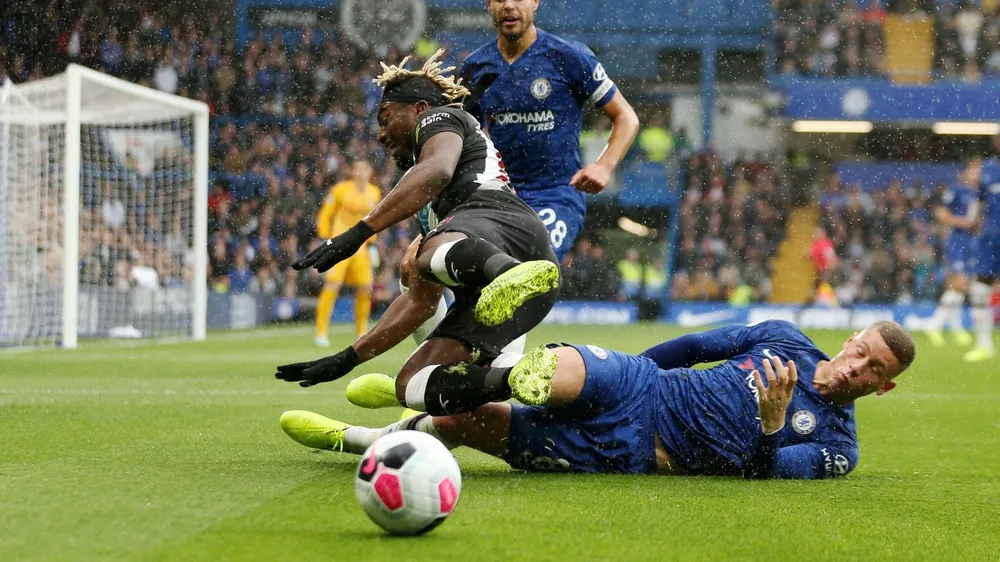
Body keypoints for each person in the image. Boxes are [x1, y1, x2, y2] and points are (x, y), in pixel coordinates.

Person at [276, 51, 560, 414]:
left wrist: (358, 233)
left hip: (505, 225)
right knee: (412, 383)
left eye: (385, 118)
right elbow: (420, 303)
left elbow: (438, 170)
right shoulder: (429, 206)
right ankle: (515, 378)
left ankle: (509, 274)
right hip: (508, 299)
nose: (380, 135)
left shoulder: (442, 118)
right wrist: (348, 358)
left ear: (418, 109)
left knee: (425, 254)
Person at [279, 319, 916, 479]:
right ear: (851, 338)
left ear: (881, 388)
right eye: (860, 349)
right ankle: (417, 383)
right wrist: (638, 366)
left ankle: (362, 436)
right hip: (642, 385)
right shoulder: (785, 337)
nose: (856, 366)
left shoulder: (837, 446)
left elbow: (765, 473)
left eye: (872, 370)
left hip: (633, 449)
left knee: (464, 426)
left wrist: (774, 425)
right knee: (551, 369)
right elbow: (697, 344)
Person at [460, 0, 640, 262]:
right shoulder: (475, 67)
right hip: (498, 196)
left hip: (555, 195)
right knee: (440, 267)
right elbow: (463, 139)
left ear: (535, 2)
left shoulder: (569, 57)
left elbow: (626, 117)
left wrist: (604, 166)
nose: (508, 5)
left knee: (528, 266)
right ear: (488, 4)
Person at [313, 161, 382, 346]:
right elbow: (325, 214)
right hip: (338, 244)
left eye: (365, 168)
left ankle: (361, 332)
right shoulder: (340, 190)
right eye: (358, 168)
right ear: (353, 171)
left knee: (366, 287)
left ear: (370, 172)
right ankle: (321, 332)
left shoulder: (374, 192)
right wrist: (324, 238)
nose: (361, 172)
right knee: (333, 285)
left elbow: (374, 220)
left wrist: (373, 245)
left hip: (360, 248)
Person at [924, 167, 978, 348]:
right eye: (974, 170)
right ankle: (935, 324)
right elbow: (940, 214)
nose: (977, 174)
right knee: (958, 283)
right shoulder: (957, 190)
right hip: (958, 241)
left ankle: (955, 328)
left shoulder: (980, 193)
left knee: (961, 287)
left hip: (972, 242)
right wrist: (961, 222)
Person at [965, 141, 1000, 363]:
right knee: (979, 289)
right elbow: (979, 201)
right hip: (991, 237)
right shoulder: (988, 168)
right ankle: (984, 345)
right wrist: (971, 221)